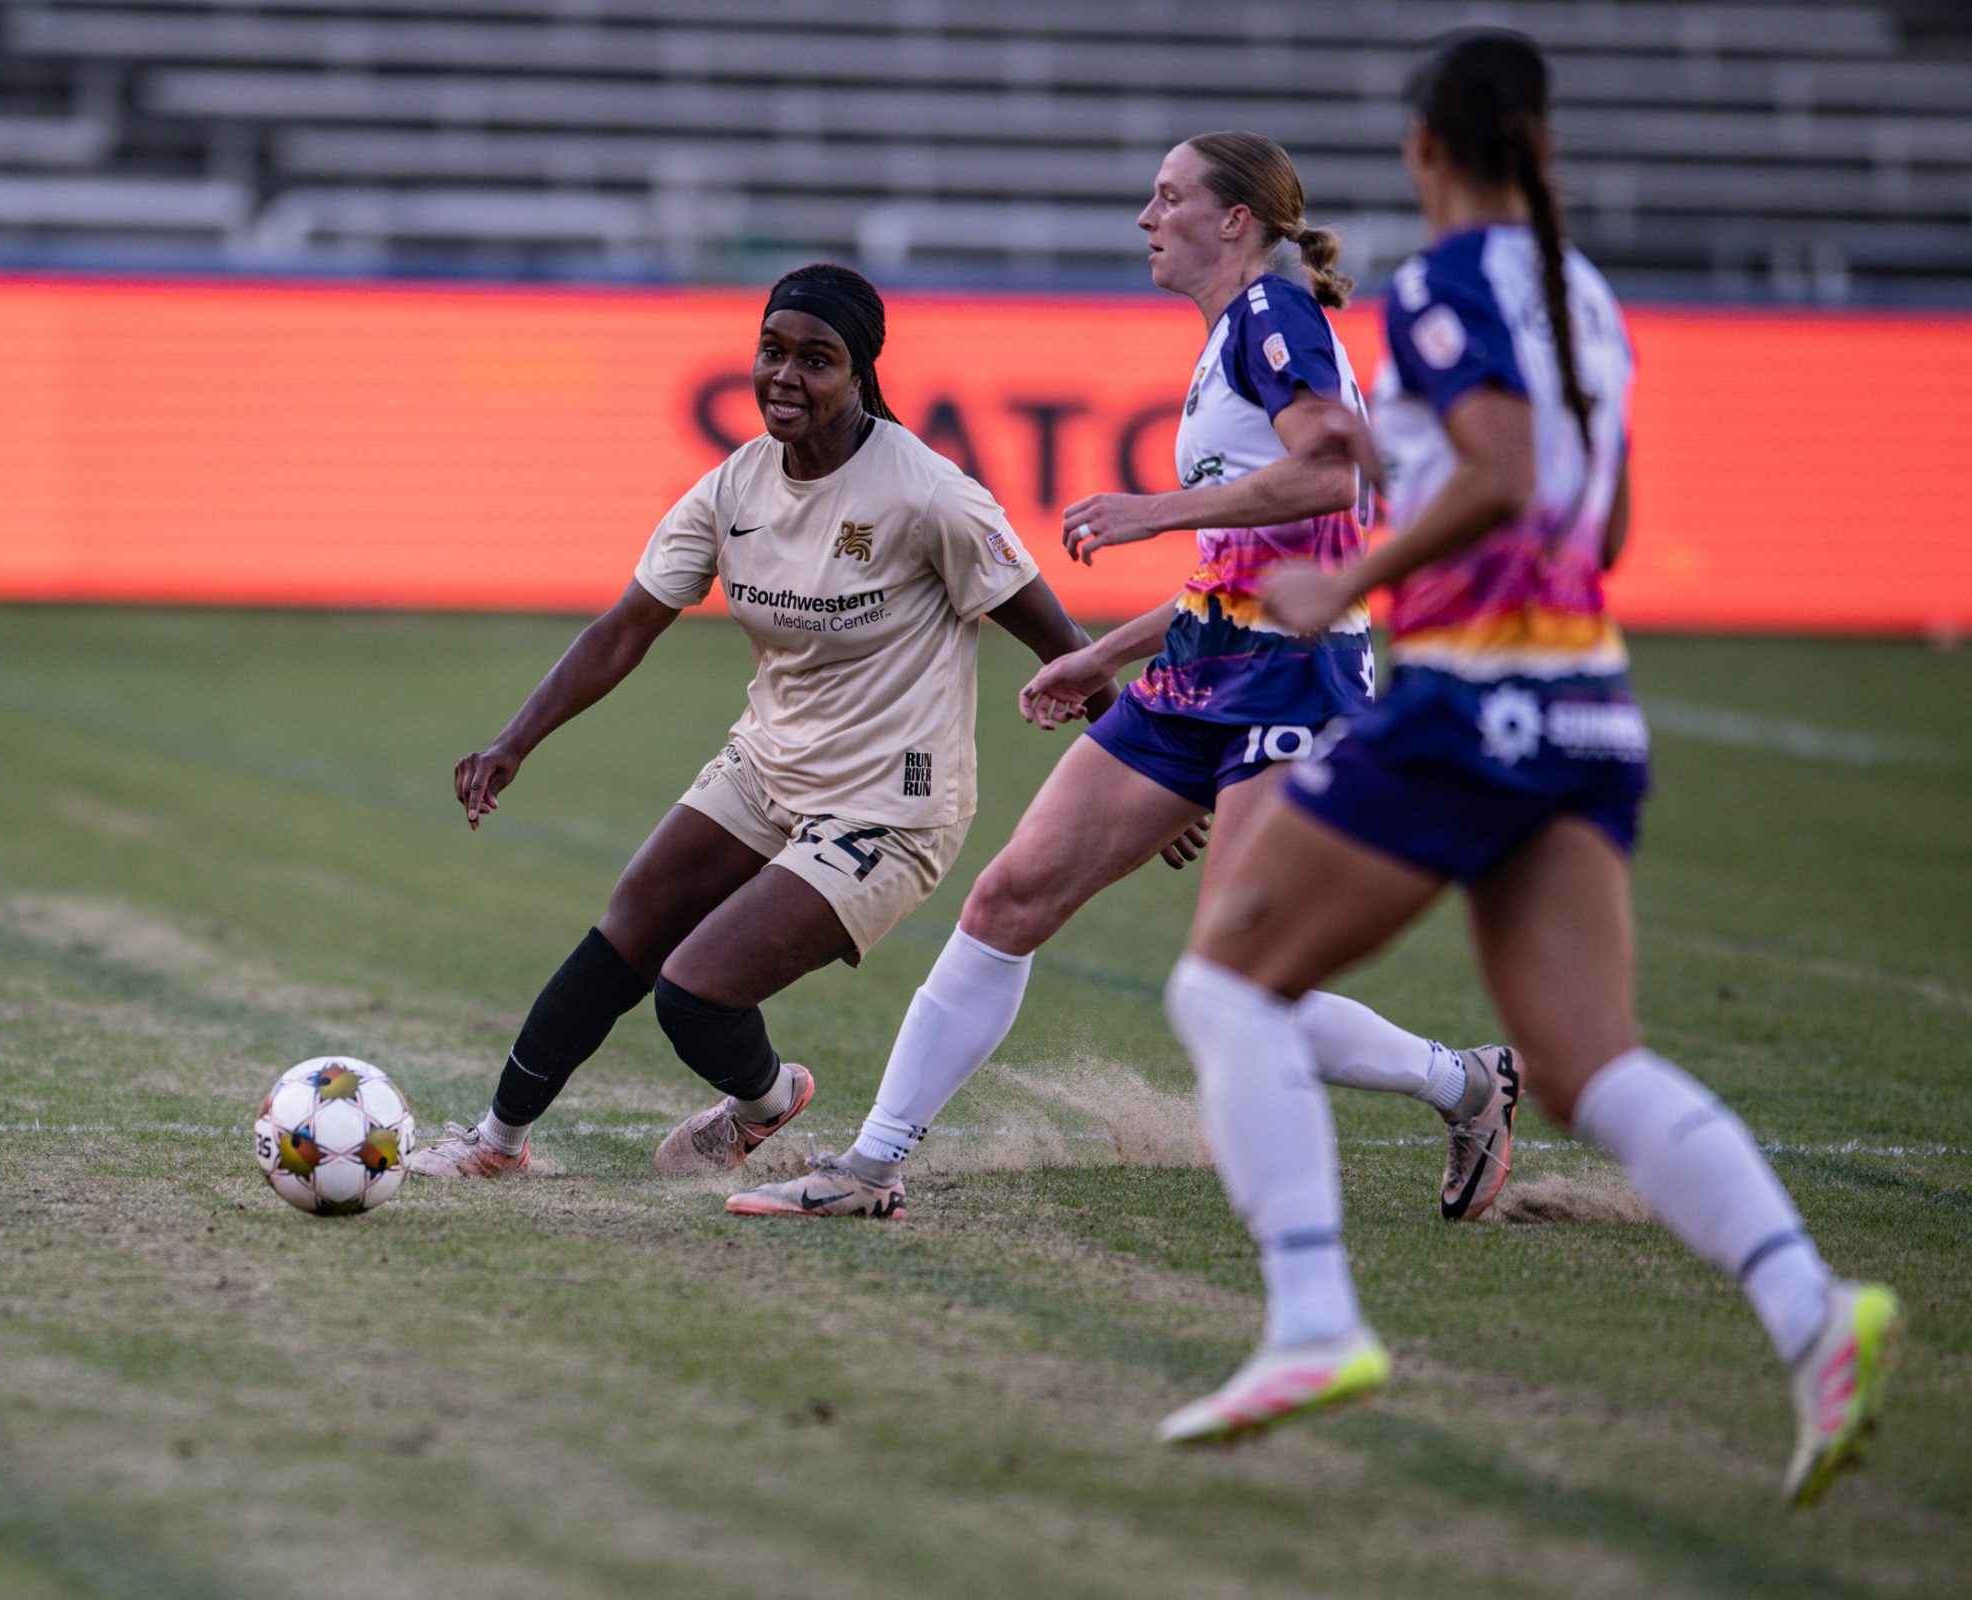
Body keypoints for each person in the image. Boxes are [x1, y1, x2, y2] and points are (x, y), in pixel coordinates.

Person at [1151, 32, 1899, 1508]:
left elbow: (1493, 476)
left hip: (1473, 705)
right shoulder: (1589, 301)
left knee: (1223, 984)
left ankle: (1312, 1320)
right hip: (1590, 709)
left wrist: (1346, 573)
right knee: (1583, 1065)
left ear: (1427, 148)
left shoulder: (1436, 291)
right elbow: (1598, 523)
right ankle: (1817, 1320)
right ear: (1541, 145)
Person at [728, 132, 1517, 1224]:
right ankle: (869, 1165)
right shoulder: (1227, 340)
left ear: (1232, 219)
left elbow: (1335, 480)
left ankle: (1466, 1083)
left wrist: (1154, 509)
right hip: (1203, 667)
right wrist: (1099, 654)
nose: (1146, 219)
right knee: (1009, 897)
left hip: (1292, 682)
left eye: (1166, 197)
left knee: (1235, 983)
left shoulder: (1273, 316)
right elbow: (1248, 561)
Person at [410, 264, 1138, 1180]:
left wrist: (1146, 767)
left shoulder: (930, 495)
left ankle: (765, 1096)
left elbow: (1064, 642)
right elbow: (624, 629)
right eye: (772, 352)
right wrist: (514, 740)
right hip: (767, 765)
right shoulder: (733, 489)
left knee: (693, 993)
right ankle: (496, 1145)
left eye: (816, 360)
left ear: (860, 372)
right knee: (627, 928)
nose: (785, 376)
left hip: (890, 801)